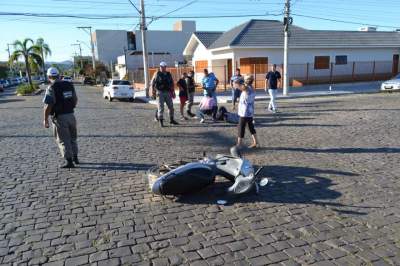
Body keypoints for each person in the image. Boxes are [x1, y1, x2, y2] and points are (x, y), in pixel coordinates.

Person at [43, 67, 79, 168]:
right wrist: (70, 108)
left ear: (49, 76)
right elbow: (75, 99)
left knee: (63, 139)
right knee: (73, 138)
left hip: (60, 117)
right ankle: (76, 158)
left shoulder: (51, 87)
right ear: (58, 75)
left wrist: (45, 119)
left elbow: (48, 105)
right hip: (71, 115)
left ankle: (69, 161)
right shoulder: (69, 84)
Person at [151, 61, 179, 127]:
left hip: (168, 92)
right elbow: (152, 83)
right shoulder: (157, 74)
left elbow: (172, 83)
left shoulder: (168, 74)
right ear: (160, 67)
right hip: (160, 92)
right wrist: (153, 92)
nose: (162, 68)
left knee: (171, 107)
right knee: (161, 108)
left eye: (164, 67)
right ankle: (161, 121)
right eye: (161, 66)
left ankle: (171, 120)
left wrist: (173, 91)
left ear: (165, 67)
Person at [237, 75, 258, 148]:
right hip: (250, 111)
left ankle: (239, 144)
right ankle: (256, 142)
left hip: (244, 112)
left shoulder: (246, 88)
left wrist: (241, 78)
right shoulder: (252, 88)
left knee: (241, 128)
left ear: (246, 81)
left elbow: (236, 83)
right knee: (251, 127)